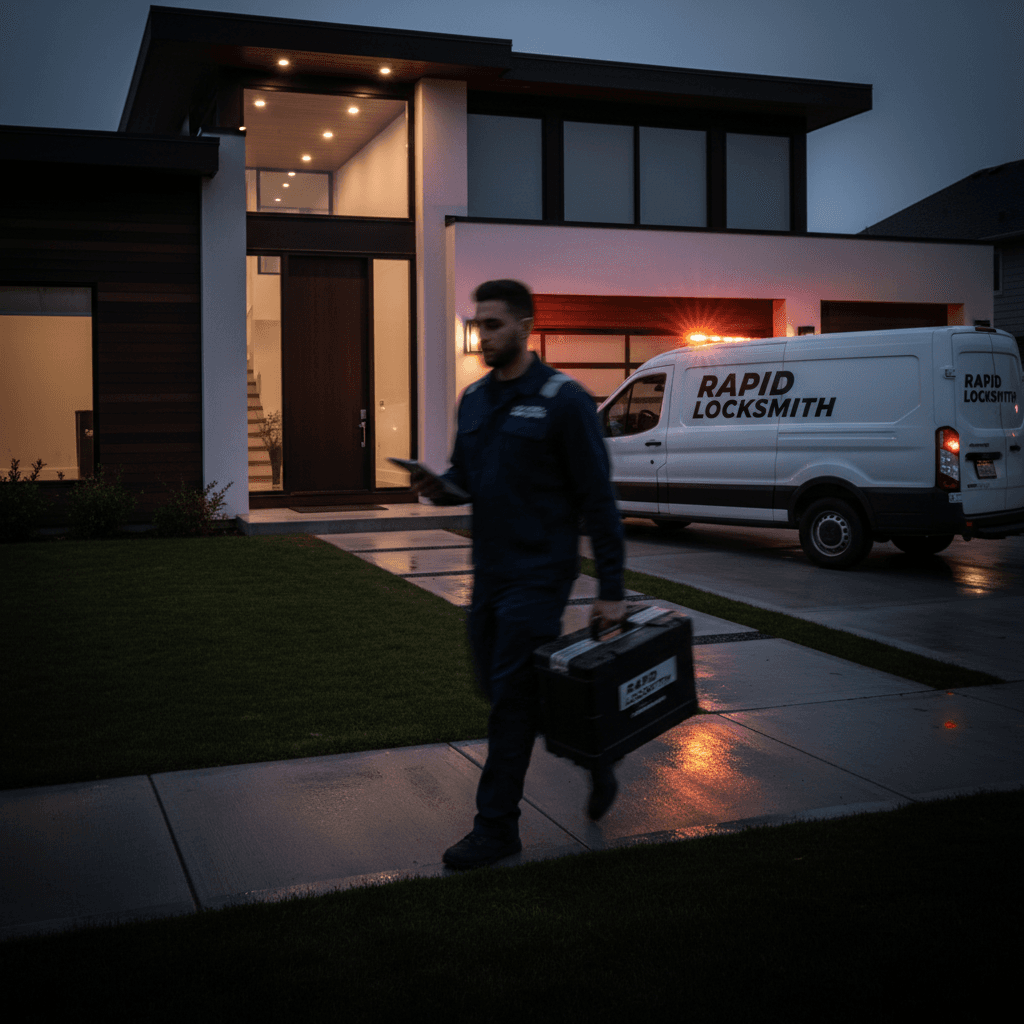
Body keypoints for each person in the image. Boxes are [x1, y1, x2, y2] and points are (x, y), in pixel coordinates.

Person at [415, 279, 627, 870]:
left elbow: (598, 500)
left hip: (540, 575)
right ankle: (596, 754)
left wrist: (611, 590)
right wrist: (438, 488)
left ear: (525, 327)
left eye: (494, 325)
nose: (482, 336)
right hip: (489, 571)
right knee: (502, 687)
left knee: (509, 701)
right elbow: (464, 476)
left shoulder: (565, 400)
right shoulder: (474, 399)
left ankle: (496, 828)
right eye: (478, 324)